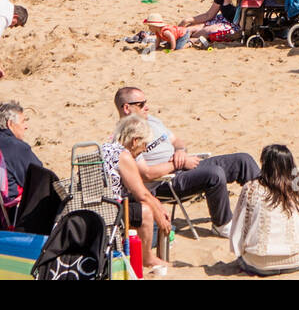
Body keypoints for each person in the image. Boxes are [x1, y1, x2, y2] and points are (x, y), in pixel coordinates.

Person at [112, 87, 261, 240]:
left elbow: (177, 141)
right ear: (127, 108)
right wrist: (178, 164)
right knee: (215, 174)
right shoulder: (126, 138)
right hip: (165, 182)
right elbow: (146, 174)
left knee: (243, 161)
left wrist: (180, 151)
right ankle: (222, 225)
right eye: (141, 104)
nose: (147, 107)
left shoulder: (151, 121)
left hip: (184, 165)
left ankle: (267, 207)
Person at [228, 144, 299, 276]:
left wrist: (240, 250)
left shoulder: (251, 187)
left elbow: (241, 226)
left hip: (260, 263)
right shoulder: (297, 185)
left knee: (243, 258)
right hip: (296, 261)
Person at [101, 114, 173, 276]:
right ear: (135, 141)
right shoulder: (123, 155)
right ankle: (146, 258)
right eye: (144, 144)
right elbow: (142, 195)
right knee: (145, 211)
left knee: (143, 206)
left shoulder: (106, 147)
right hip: (109, 209)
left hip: (98, 204)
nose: (145, 148)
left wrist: (158, 206)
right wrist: (158, 216)